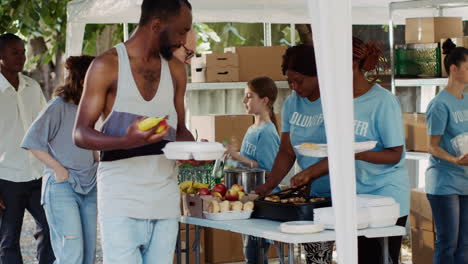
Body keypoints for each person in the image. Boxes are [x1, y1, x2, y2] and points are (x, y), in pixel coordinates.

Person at [73, 0, 194, 263]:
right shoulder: (107, 65)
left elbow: (181, 129)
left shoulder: (176, 70)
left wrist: (194, 149)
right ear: (157, 25)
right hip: (120, 202)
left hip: (165, 200)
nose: (184, 41)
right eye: (182, 31)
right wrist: (125, 140)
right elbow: (80, 133)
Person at [285, 38, 410, 264]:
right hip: (353, 199)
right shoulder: (337, 102)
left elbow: (394, 154)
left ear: (351, 64)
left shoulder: (382, 101)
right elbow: (337, 151)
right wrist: (310, 173)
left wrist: (356, 153)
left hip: (385, 200)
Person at [255, 45, 334, 264]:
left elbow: (347, 150)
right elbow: (287, 151)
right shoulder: (291, 104)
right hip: (313, 197)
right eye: (289, 82)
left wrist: (311, 172)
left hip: (346, 193)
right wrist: (270, 185)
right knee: (317, 259)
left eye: (299, 80)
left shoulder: (335, 102)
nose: (294, 87)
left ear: (317, 75)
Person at [21, 55, 97, 264]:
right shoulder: (58, 106)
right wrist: (58, 169)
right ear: (84, 80)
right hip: (62, 187)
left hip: (90, 186)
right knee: (71, 254)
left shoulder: (91, 108)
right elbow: (31, 141)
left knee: (88, 255)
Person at [0, 33, 55, 264]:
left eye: (23, 52)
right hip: (6, 178)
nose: (22, 57)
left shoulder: (32, 87)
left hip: (37, 175)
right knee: (8, 240)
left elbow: (45, 127)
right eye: (15, 53)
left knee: (51, 228)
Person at [226, 76, 280, 264]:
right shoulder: (252, 128)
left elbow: (268, 169)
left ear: (264, 100)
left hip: (261, 201)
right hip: (248, 198)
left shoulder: (267, 131)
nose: (244, 101)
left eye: (249, 96)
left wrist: (237, 156)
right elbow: (249, 162)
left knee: (255, 255)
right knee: (251, 254)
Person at [425, 39, 468, 264]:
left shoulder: (467, 100)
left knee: (465, 245)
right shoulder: (439, 104)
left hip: (465, 180)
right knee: (448, 243)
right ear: (454, 68)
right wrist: (455, 160)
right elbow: (431, 146)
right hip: (444, 183)